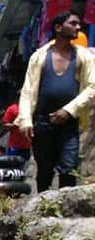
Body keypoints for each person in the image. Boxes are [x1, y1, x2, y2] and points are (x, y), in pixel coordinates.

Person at [16, 11, 95, 191]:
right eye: (73, 24)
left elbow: (92, 86)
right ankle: (42, 213)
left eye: (78, 24)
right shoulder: (39, 56)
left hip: (71, 123)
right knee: (44, 171)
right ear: (58, 27)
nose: (78, 27)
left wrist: (68, 110)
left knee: (69, 169)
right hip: (42, 123)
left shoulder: (85, 56)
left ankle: (67, 213)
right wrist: (25, 120)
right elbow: (28, 90)